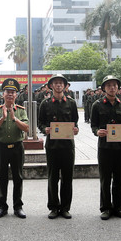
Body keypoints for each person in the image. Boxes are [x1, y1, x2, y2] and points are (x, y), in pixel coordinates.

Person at [90, 75, 121, 220]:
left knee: (119, 178)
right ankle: (106, 208)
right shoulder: (97, 105)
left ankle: (118, 208)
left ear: (118, 88)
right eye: (109, 85)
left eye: (115, 85)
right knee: (105, 178)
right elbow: (93, 125)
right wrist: (97, 131)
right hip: (105, 147)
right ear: (104, 88)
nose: (112, 88)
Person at [37, 73, 79, 219]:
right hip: (52, 146)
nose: (59, 85)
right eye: (56, 83)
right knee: (52, 177)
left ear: (65, 86)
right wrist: (44, 130)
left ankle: (65, 207)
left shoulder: (71, 103)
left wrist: (76, 129)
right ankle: (54, 207)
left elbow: (75, 121)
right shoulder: (45, 103)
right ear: (51, 86)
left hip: (68, 146)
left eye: (61, 83)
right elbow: (40, 123)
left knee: (67, 178)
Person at [0, 78, 29, 218]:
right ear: (3, 94)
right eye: (8, 92)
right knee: (2, 177)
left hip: (17, 147)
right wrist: (2, 118)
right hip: (1, 148)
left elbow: (26, 128)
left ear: (16, 95)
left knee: (18, 177)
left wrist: (14, 118)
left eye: (13, 92)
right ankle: (2, 206)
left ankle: (18, 206)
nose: (10, 95)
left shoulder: (21, 111)